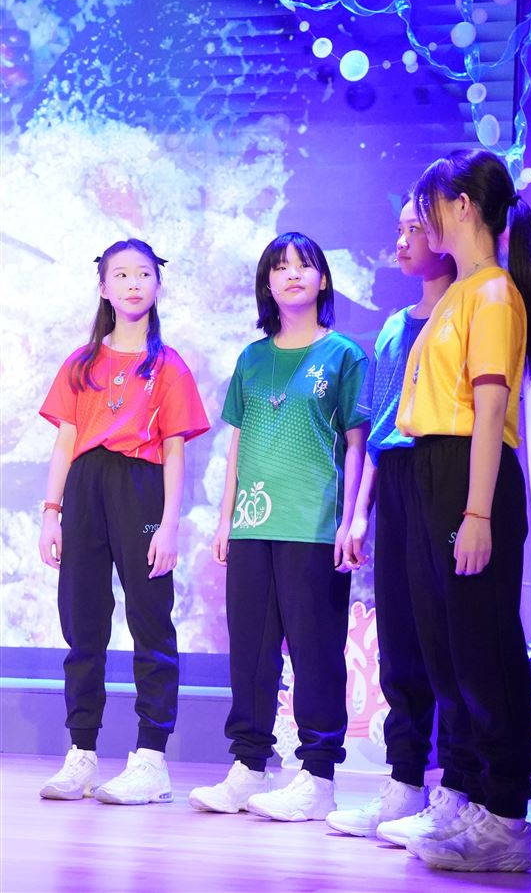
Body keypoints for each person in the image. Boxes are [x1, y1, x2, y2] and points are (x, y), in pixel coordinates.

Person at [377, 149, 531, 872]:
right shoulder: (461, 291)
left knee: (483, 647)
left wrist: (478, 512)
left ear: (459, 205)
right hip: (432, 468)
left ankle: (507, 817)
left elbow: (489, 411)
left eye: (428, 205)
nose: (421, 221)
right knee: (445, 647)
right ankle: (468, 794)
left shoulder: (492, 293)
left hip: (467, 474)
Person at [188, 232, 368, 821]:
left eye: (304, 265)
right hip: (251, 523)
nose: (292, 274)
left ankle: (318, 776)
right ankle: (248, 765)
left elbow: (357, 444)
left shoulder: (343, 355)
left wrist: (352, 519)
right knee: (251, 653)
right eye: (280, 267)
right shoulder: (251, 358)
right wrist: (224, 518)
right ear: (266, 283)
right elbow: (238, 442)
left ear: (322, 279)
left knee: (316, 653)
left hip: (313, 525)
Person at [38, 239, 210, 805]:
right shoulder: (81, 363)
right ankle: (82, 753)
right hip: (85, 488)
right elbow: (65, 442)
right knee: (82, 623)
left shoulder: (169, 365)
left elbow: (176, 451)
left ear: (157, 285)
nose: (133, 283)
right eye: (122, 275)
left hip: (141, 488)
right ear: (104, 287)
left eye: (144, 274)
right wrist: (51, 512)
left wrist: (170, 525)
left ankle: (151, 758)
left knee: (150, 621)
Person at [325, 197, 457, 838]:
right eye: (399, 230)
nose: (402, 242)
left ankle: (459, 789)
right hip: (397, 482)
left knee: (447, 637)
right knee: (400, 637)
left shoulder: (469, 310)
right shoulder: (392, 328)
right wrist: (359, 515)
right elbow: (379, 428)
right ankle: (405, 783)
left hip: (445, 473)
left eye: (415, 229)